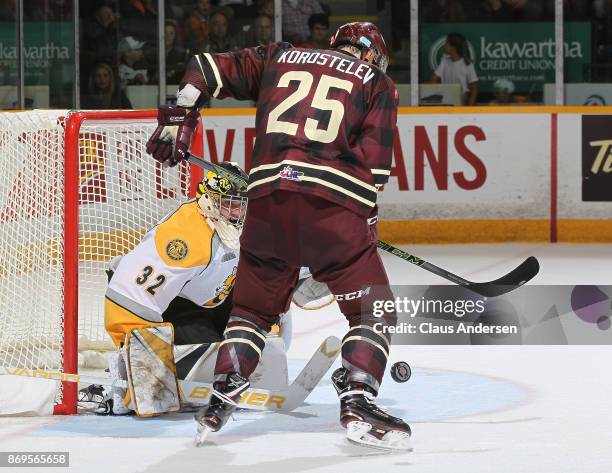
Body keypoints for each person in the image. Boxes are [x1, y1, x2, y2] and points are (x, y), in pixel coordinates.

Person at [146, 22, 411, 450]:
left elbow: (205, 68)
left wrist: (182, 115)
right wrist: (361, 229)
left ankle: (221, 396)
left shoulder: (279, 57)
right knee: (372, 312)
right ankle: (359, 400)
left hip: (266, 208)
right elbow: (374, 173)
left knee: (250, 313)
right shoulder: (376, 82)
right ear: (373, 57)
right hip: (333, 214)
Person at [430, 32, 478, 105]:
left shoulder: (467, 64)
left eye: (446, 43)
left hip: (461, 104)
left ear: (453, 47)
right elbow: (433, 79)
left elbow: (474, 88)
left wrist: (470, 108)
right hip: (445, 103)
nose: (444, 45)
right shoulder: (444, 61)